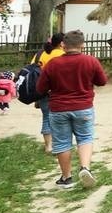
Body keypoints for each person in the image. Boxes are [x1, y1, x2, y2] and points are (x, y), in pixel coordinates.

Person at [37, 30, 107, 190]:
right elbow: (102, 81)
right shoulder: (91, 61)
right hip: (83, 108)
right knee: (85, 138)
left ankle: (66, 178)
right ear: (82, 45)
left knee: (62, 143)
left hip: (58, 109)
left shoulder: (52, 64)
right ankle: (85, 168)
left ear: (63, 45)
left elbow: (40, 88)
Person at [36, 33, 66, 153]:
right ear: (61, 43)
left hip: (42, 89)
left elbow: (34, 70)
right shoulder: (62, 54)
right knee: (62, 118)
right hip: (58, 90)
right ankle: (60, 143)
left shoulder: (39, 54)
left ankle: (48, 146)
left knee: (46, 117)